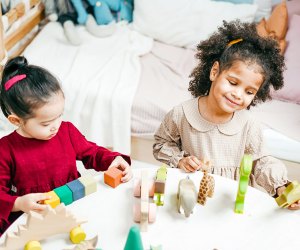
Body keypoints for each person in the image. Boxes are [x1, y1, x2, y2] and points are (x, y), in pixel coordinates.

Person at [153, 20, 300, 210]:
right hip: (191, 197)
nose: (238, 95)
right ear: (215, 72)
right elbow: (161, 144)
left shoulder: (248, 125)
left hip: (230, 204)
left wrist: (281, 186)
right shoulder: (182, 114)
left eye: (249, 92)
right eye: (232, 82)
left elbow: (261, 163)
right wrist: (180, 160)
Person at [0, 56, 132, 235]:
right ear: (17, 120)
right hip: (32, 216)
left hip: (73, 205)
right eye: (46, 123)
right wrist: (18, 203)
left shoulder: (66, 131)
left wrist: (113, 159)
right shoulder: (6, 150)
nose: (56, 126)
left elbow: (91, 152)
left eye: (60, 115)